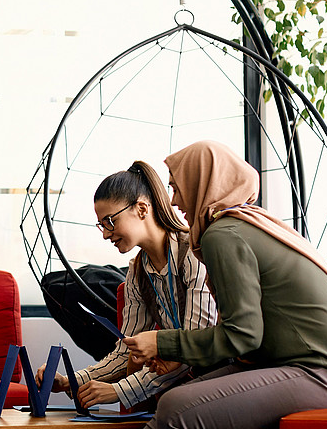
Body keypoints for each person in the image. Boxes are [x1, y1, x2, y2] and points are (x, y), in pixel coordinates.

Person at [17, 139, 327, 429]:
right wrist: (82, 378)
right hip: (287, 364)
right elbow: (217, 339)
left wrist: (159, 345)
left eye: (178, 185)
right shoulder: (232, 228)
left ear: (205, 182)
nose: (174, 198)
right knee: (173, 407)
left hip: (324, 374)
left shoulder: (220, 237)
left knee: (175, 407)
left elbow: (241, 336)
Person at [35, 161, 217, 414]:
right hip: (176, 377)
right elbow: (124, 351)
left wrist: (120, 391)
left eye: (110, 221)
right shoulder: (138, 271)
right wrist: (71, 381)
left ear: (142, 208)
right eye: (101, 224)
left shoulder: (194, 254)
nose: (105, 234)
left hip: (215, 372)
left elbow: (195, 344)